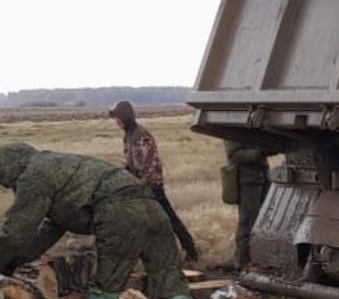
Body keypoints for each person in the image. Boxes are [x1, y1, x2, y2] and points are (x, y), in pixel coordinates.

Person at [0, 142, 191, 299]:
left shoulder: (32, 176)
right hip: (151, 205)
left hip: (119, 212)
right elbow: (53, 227)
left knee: (108, 287)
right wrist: (17, 259)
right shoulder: (55, 165)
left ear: (9, 166)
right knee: (170, 281)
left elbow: (16, 229)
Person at [109, 101, 198, 263]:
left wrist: (141, 185)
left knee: (169, 219)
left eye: (118, 117)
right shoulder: (128, 136)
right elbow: (130, 164)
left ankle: (190, 250)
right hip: (138, 186)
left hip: (151, 186)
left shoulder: (141, 135)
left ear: (126, 117)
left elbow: (150, 165)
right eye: (115, 118)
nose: (116, 121)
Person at [225, 141, 274, 269]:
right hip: (247, 180)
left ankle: (257, 258)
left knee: (264, 221)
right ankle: (243, 260)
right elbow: (234, 155)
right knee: (248, 221)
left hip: (261, 177)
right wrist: (259, 152)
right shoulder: (234, 127)